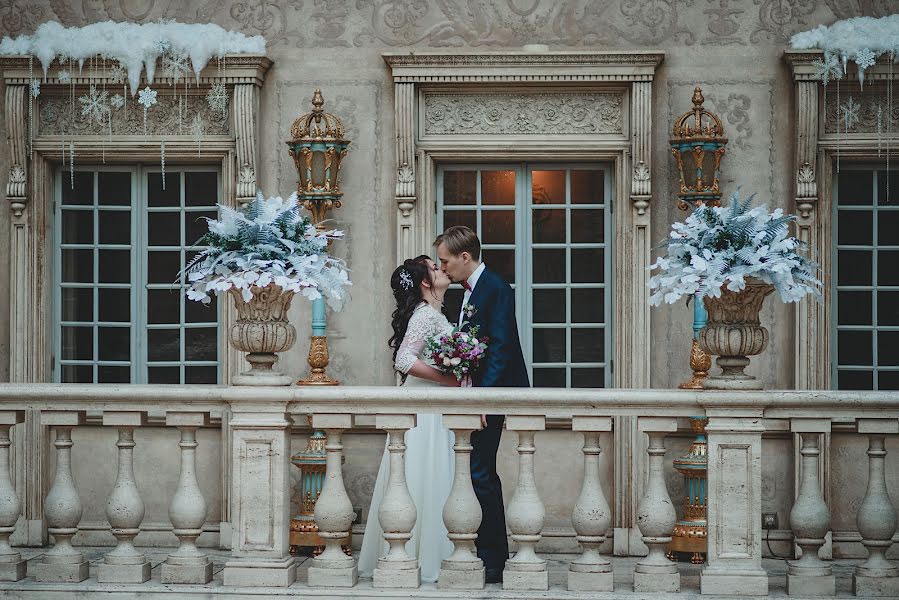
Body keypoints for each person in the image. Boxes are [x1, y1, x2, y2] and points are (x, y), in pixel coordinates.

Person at [434, 225, 530, 584]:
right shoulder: (468, 291)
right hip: (475, 395)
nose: (443, 269)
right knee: (477, 472)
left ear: (464, 257)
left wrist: (482, 400)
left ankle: (494, 559)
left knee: (481, 474)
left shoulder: (496, 288)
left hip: (491, 396)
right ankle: (485, 551)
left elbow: (501, 348)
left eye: (445, 262)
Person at [358, 255, 459, 583]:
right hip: (425, 408)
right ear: (424, 283)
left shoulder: (434, 313)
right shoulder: (425, 315)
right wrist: (447, 379)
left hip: (435, 405)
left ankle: (430, 554)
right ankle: (422, 559)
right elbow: (404, 359)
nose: (442, 269)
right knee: (422, 475)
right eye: (434, 267)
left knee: (433, 478)